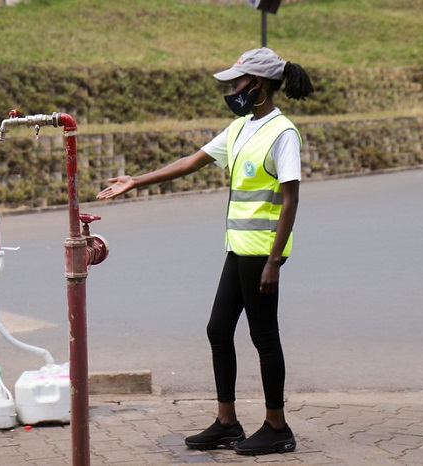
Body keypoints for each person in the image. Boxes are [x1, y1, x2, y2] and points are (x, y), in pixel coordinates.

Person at [97, 48, 314, 455]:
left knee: (264, 336)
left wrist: (274, 261)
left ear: (261, 86)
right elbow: (192, 161)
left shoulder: (282, 134)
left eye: (238, 82)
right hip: (238, 249)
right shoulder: (240, 128)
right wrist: (137, 180)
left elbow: (291, 201)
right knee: (218, 329)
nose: (232, 89)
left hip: (262, 254)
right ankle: (227, 422)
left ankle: (277, 427)